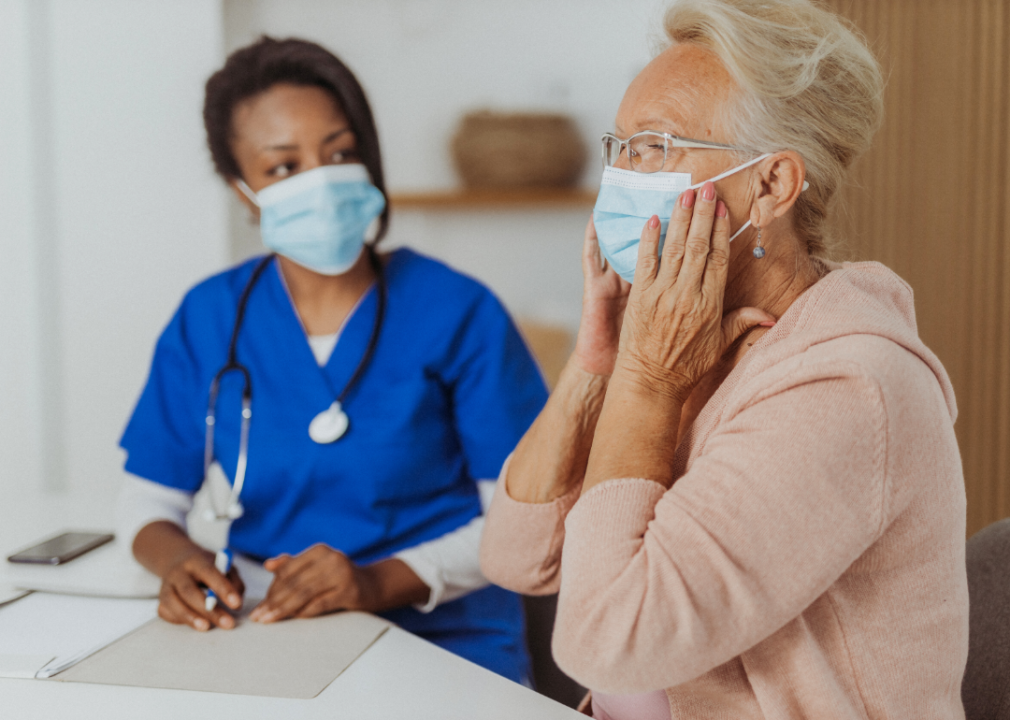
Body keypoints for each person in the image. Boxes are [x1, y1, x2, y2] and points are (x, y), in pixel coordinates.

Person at [480, 0, 968, 717]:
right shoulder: (687, 340)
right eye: (623, 147)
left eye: (656, 146)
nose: (623, 176)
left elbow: (608, 641)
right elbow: (517, 558)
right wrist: (599, 365)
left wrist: (646, 384)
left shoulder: (851, 385)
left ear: (771, 185)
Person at [117, 36, 546, 684]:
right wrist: (179, 563)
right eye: (283, 167)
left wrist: (375, 582)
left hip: (453, 649)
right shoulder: (208, 319)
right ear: (242, 190)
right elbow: (146, 503)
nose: (319, 182)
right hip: (272, 633)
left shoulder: (457, 311)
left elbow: (523, 526)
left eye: (339, 153)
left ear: (368, 162)